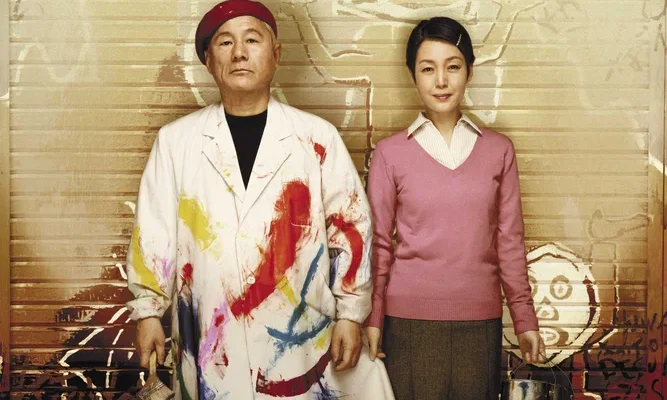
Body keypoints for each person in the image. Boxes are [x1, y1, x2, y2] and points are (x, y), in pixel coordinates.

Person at [126, 1, 393, 398]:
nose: (239, 52)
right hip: (211, 344)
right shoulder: (176, 143)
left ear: (276, 54)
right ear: (208, 60)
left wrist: (351, 315)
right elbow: (154, 233)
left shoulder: (317, 139)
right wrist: (148, 312)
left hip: (299, 342)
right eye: (225, 42)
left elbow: (350, 229)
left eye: (252, 40)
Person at [363, 16, 546, 399]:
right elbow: (377, 244)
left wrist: (524, 319)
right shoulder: (390, 154)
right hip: (407, 323)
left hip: (480, 322)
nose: (441, 81)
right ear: (413, 75)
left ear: (469, 71)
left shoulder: (499, 150)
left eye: (453, 66)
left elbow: (509, 242)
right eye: (428, 69)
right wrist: (373, 318)